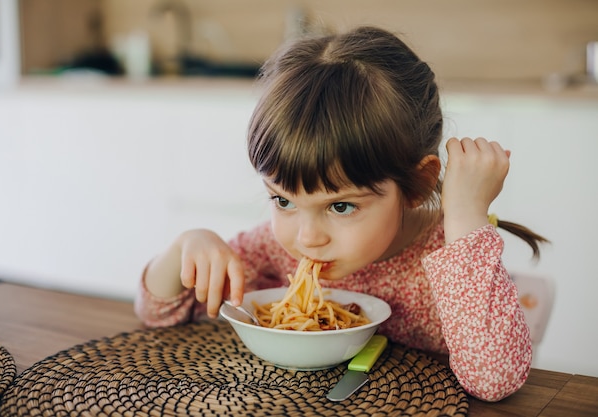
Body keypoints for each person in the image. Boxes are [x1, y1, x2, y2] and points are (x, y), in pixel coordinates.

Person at [134, 26, 549, 402]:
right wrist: (185, 247)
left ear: (418, 185)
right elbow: (158, 314)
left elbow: (494, 381)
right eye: (283, 201)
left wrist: (464, 215)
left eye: (341, 206)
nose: (307, 238)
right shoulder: (273, 251)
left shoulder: (454, 258)